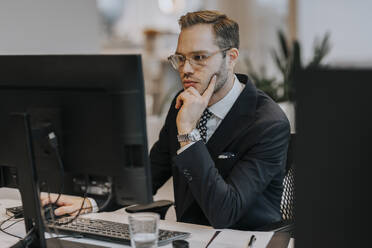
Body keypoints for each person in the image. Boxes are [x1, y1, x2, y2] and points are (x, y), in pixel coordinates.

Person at [41, 10, 290, 230]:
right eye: (180, 58)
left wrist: (187, 133)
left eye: (200, 57)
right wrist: (92, 203)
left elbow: (224, 213)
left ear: (231, 57)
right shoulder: (181, 103)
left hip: (244, 240)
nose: (186, 69)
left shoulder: (267, 123)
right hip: (190, 236)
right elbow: (146, 179)